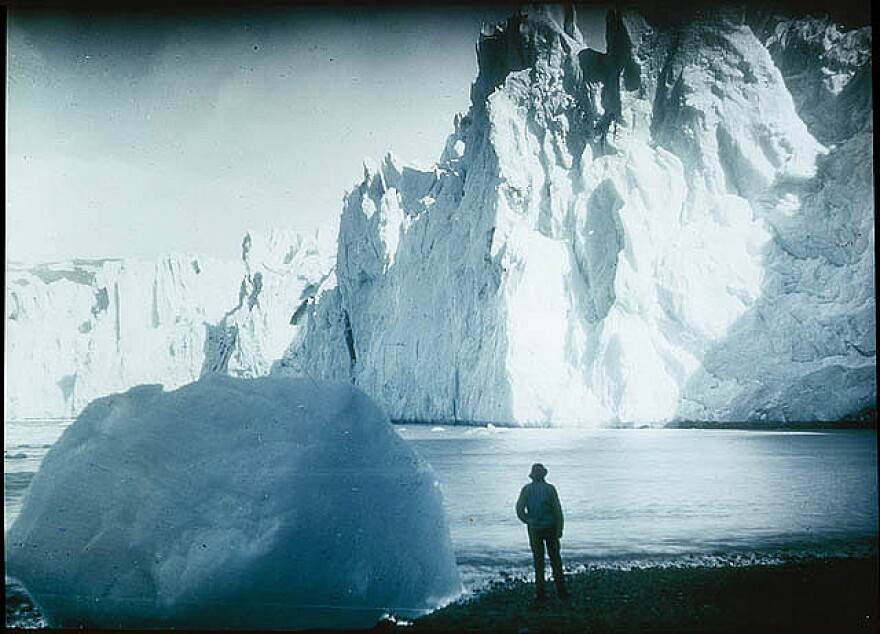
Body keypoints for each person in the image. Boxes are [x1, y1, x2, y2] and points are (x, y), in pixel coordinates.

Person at [516, 463, 569, 605]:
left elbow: (519, 509)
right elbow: (557, 510)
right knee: (555, 560)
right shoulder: (550, 489)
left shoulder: (527, 489)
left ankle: (541, 593)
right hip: (550, 527)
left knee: (538, 561)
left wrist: (528, 520)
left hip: (535, 529)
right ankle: (561, 590)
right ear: (544, 475)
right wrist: (560, 528)